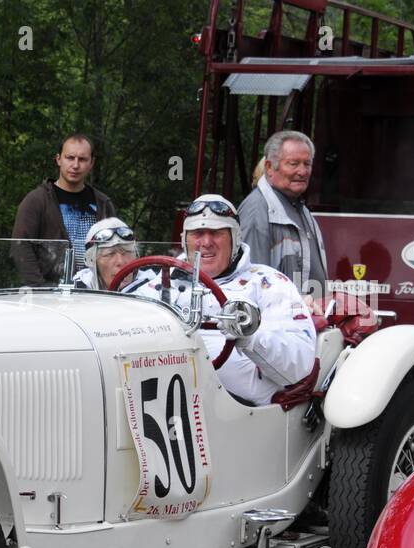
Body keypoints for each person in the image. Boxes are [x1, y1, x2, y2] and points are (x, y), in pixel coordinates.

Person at [125, 194, 316, 406]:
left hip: (244, 414)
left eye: (216, 233)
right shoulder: (157, 287)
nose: (206, 243)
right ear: (184, 239)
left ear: (235, 238)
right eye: (197, 233)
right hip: (162, 404)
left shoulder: (268, 284)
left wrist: (250, 336)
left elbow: (299, 368)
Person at [11, 133, 116, 285]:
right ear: (59, 159)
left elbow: (115, 249)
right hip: (49, 294)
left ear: (91, 163)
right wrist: (39, 289)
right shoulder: (36, 201)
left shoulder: (103, 204)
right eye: (70, 157)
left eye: (82, 159)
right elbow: (20, 247)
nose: (75, 165)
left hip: (93, 295)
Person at [238, 130, 327, 295]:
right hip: (277, 320)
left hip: (303, 318)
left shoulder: (298, 207)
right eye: (293, 163)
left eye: (307, 164)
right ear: (269, 167)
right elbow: (251, 285)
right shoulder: (257, 210)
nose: (302, 171)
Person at [73, 217, 139, 290]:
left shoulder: (151, 291)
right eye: (110, 254)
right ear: (92, 261)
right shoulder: (74, 293)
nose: (121, 262)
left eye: (127, 251)